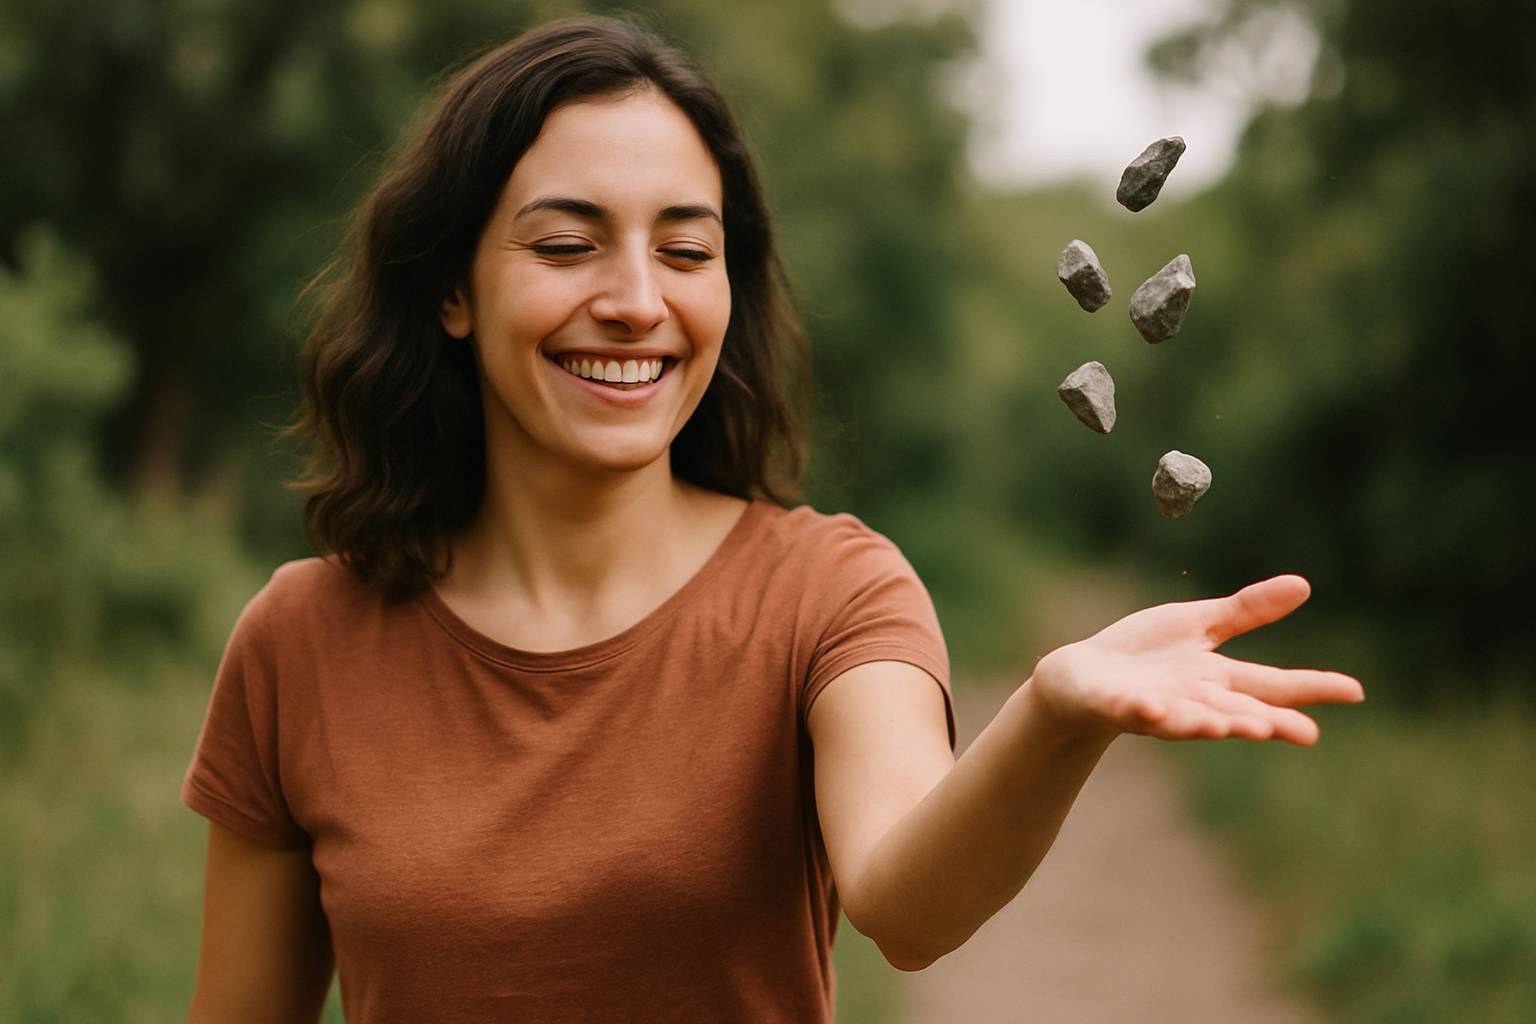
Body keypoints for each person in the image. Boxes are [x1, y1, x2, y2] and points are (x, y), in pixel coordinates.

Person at [180, 14, 1365, 1024]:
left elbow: (906, 899)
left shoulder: (828, 594)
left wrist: (1052, 716)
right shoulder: (301, 640)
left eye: (686, 250)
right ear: (451, 287)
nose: (638, 301)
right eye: (565, 244)